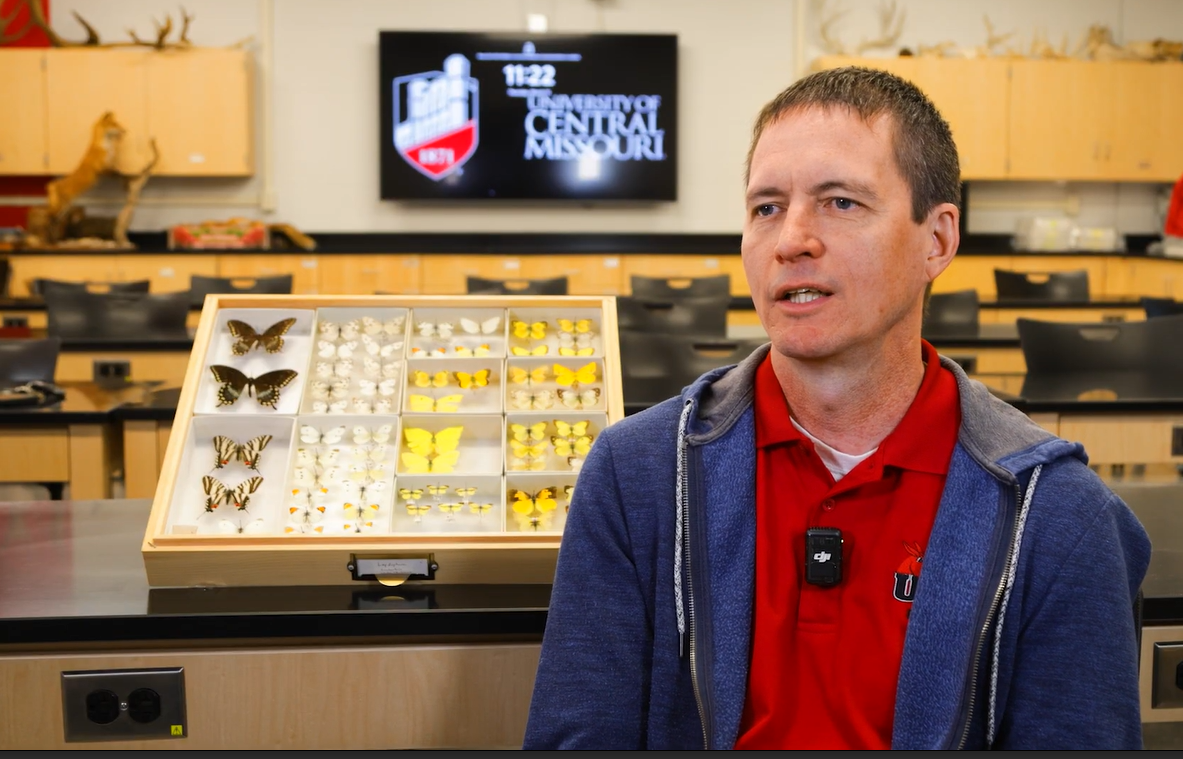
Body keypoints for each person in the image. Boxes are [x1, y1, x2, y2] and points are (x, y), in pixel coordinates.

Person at [522, 66, 1151, 750]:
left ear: (936, 240)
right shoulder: (634, 478)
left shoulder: (1058, 516)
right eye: (766, 207)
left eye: (839, 202)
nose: (791, 239)